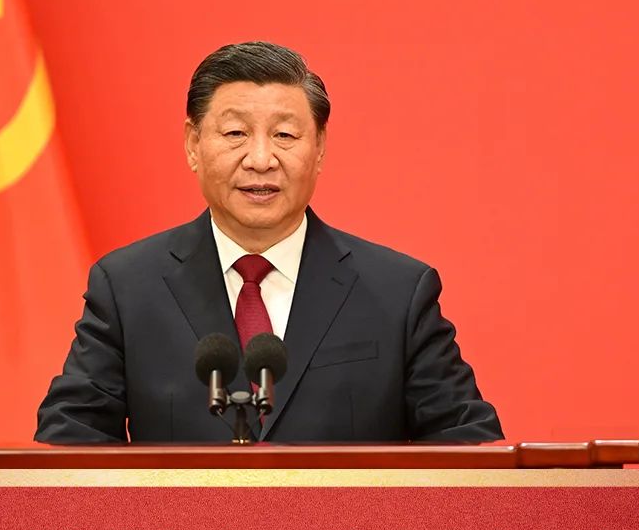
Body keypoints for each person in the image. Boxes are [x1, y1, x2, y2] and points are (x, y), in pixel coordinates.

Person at [36, 42, 502, 444]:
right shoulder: (127, 288)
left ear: (319, 148)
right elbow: (70, 437)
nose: (260, 159)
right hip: (183, 527)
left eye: (284, 135)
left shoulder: (398, 292)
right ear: (193, 144)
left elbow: (467, 445)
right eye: (235, 133)